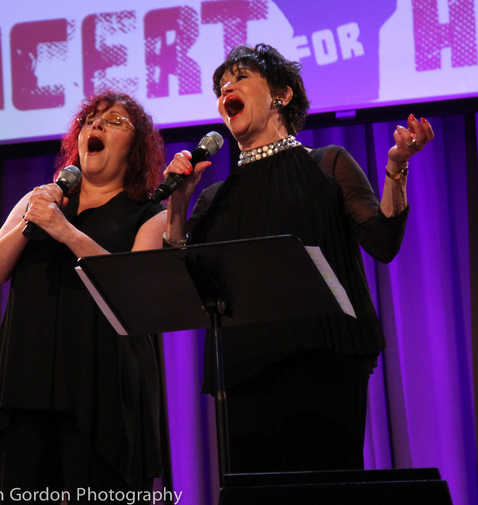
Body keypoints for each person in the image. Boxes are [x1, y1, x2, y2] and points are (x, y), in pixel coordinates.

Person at [163, 44, 434, 473]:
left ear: (281, 96)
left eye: (240, 77)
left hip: (322, 356)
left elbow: (383, 242)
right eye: (220, 86)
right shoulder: (214, 197)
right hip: (242, 364)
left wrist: (396, 168)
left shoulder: (328, 164)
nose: (226, 88)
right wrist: (178, 203)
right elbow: (182, 279)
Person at [0, 90, 167, 503]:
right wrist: (34, 220)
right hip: (27, 380)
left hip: (100, 385)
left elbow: (134, 288)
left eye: (114, 121)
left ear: (135, 149)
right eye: (90, 120)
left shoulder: (150, 213)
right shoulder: (38, 200)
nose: (96, 126)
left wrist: (65, 231)